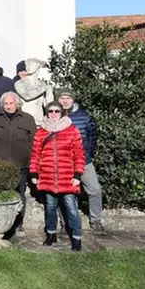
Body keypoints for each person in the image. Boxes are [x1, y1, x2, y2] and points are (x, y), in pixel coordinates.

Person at [30, 102, 86, 251]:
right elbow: (36, 154)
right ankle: (51, 234)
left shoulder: (72, 130)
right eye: (50, 111)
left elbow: (79, 154)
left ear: (62, 112)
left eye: (56, 111)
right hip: (47, 176)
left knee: (71, 209)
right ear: (47, 113)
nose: (53, 113)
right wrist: (34, 173)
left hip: (67, 177)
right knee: (50, 207)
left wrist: (78, 174)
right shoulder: (41, 132)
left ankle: (76, 237)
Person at [0, 91, 37, 236]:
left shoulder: (27, 119)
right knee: (1, 194)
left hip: (20, 165)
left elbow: (34, 143)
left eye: (11, 103)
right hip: (0, 165)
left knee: (19, 195)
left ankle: (18, 224)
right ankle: (1, 224)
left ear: (17, 104)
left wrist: (33, 162)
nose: (8, 106)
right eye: (5, 103)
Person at [57, 88, 105, 233]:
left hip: (83, 160)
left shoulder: (84, 117)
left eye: (68, 98)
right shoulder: (54, 116)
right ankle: (65, 222)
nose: (65, 101)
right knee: (63, 192)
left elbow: (92, 136)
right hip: (63, 162)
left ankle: (96, 220)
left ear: (73, 100)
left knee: (94, 189)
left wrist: (87, 153)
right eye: (62, 98)